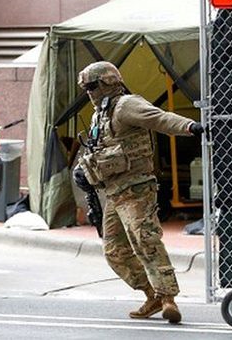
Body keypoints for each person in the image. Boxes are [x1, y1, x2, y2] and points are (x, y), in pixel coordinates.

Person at [73, 61, 203, 324]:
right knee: (114, 250)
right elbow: (98, 147)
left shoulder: (126, 105)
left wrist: (191, 127)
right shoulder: (101, 113)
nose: (89, 92)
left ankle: (168, 298)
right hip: (113, 192)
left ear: (108, 82)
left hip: (136, 188)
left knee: (146, 240)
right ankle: (151, 293)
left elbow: (159, 118)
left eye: (92, 86)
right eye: (86, 88)